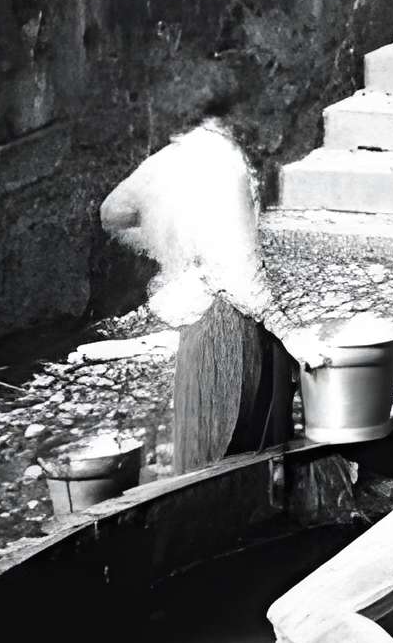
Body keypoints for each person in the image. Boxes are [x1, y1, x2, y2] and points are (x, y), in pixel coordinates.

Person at [99, 92, 328, 473]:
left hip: (198, 324)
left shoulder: (175, 156)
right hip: (231, 330)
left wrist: (175, 250)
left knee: (201, 449)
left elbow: (113, 210)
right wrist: (289, 331)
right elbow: (238, 272)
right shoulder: (226, 164)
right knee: (236, 455)